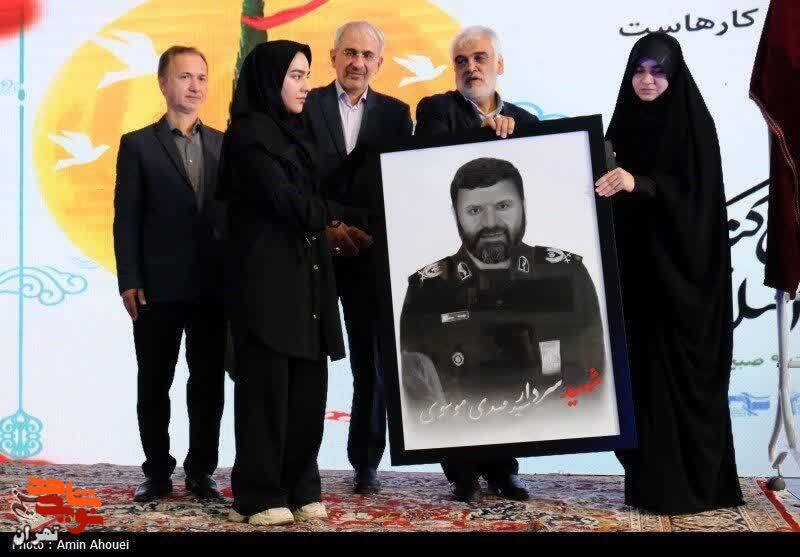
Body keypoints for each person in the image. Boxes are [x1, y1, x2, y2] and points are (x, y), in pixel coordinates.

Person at [216, 40, 367, 527]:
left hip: (308, 281)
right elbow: (286, 201)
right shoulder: (248, 137)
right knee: (267, 394)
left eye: (306, 75)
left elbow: (312, 200)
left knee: (307, 393)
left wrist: (341, 219)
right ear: (269, 80)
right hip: (266, 286)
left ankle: (301, 487)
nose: (306, 86)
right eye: (296, 76)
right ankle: (259, 494)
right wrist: (336, 219)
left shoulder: (298, 134)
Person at [596, 32, 743, 514]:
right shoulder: (622, 123)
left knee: (677, 378)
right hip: (636, 280)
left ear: (674, 77)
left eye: (658, 72)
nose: (647, 80)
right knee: (642, 382)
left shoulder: (693, 124)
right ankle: (650, 487)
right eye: (639, 71)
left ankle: (697, 489)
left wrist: (639, 183)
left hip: (683, 283)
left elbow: (697, 202)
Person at [414, 25, 539, 504]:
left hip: (508, 271)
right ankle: (461, 472)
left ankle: (504, 470)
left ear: (499, 64)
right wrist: (481, 135)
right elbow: (427, 161)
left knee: (508, 364)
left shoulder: (526, 121)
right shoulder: (436, 110)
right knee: (457, 364)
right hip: (454, 268)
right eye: (462, 61)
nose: (471, 68)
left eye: (480, 58)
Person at [401, 157, 604, 413]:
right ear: (456, 214)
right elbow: (417, 400)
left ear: (523, 206)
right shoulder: (427, 290)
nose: (490, 223)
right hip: (465, 431)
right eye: (475, 210)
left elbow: (594, 381)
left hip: (557, 424)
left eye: (503, 206)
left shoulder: (567, 274)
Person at [113, 45, 226, 503]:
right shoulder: (138, 144)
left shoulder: (224, 144)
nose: (195, 86)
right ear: (163, 83)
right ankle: (157, 472)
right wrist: (129, 278)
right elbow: (126, 218)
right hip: (156, 287)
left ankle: (201, 472)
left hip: (213, 287)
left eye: (201, 77)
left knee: (208, 385)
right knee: (154, 383)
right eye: (184, 76)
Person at [305, 20, 413, 495]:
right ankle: (299, 460)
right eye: (349, 53)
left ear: (379, 63)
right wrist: (328, 226)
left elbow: (399, 185)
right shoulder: (304, 105)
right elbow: (298, 179)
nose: (357, 62)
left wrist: (362, 232)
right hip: (312, 248)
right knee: (306, 358)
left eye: (367, 55)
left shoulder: (397, 115)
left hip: (370, 253)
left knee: (371, 362)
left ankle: (366, 463)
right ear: (332, 57)